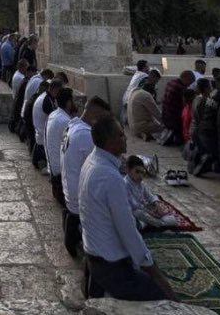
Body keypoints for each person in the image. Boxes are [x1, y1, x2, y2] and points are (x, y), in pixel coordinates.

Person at [78, 116, 174, 301]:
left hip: (93, 252)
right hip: (109, 266)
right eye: (121, 136)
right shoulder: (109, 176)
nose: (126, 138)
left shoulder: (93, 160)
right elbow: (127, 230)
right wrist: (153, 270)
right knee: (159, 295)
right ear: (110, 142)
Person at [61, 96, 111, 258]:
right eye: (103, 119)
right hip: (78, 198)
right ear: (95, 116)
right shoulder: (86, 135)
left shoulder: (72, 125)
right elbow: (102, 165)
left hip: (68, 188)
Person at [123, 155, 176, 230]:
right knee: (138, 213)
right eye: (137, 172)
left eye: (142, 173)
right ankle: (160, 224)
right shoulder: (124, 184)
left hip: (143, 211)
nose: (140, 176)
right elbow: (134, 206)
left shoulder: (139, 183)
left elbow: (150, 196)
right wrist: (151, 213)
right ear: (128, 170)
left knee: (153, 208)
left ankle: (148, 223)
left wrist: (157, 205)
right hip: (131, 213)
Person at [46, 87, 78, 206]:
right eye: (72, 101)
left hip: (53, 171)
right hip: (60, 177)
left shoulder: (54, 115)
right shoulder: (65, 121)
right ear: (69, 102)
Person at [161, 71, 194, 145]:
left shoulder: (171, 82)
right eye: (190, 82)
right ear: (186, 78)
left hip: (165, 116)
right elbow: (185, 105)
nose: (189, 85)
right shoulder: (181, 88)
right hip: (174, 120)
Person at [120, 60, 149, 125]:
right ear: (144, 67)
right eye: (148, 66)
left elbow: (126, 69)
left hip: (126, 98)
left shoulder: (137, 73)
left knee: (125, 121)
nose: (149, 68)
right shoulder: (145, 76)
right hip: (131, 100)